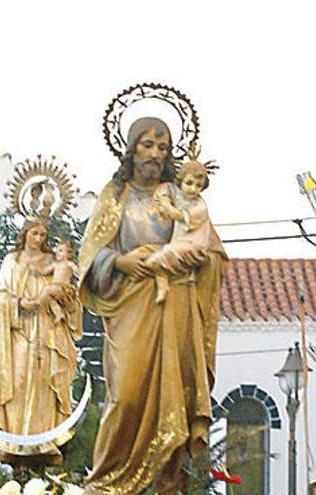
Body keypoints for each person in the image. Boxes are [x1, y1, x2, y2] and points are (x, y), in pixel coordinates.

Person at [78, 117, 226, 494]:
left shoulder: (181, 196)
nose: (156, 153)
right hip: (130, 303)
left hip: (175, 302)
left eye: (162, 147)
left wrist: (184, 259)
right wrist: (120, 262)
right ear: (131, 149)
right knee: (126, 396)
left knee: (174, 399)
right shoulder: (114, 196)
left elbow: (209, 249)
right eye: (147, 145)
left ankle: (167, 483)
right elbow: (90, 256)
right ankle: (107, 483)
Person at [0, 221, 82, 459]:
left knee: (45, 385)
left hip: (48, 332)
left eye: (43, 234)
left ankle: (46, 442)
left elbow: (72, 296)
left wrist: (65, 297)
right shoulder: (12, 260)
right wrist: (18, 304)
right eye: (34, 233)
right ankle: (14, 442)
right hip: (19, 330)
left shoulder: (54, 262)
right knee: (18, 379)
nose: (38, 238)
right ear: (25, 233)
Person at [147, 157, 225, 303]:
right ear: (180, 182)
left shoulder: (199, 206)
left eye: (198, 186)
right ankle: (162, 281)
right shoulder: (179, 195)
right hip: (179, 244)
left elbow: (177, 215)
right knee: (151, 261)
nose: (193, 189)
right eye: (189, 183)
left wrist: (167, 205)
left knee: (155, 260)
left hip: (193, 247)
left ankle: (165, 282)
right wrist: (163, 198)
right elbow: (163, 190)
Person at [33, 239, 79, 323]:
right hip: (55, 289)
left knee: (47, 290)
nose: (57, 252)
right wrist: (35, 266)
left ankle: (36, 303)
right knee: (49, 298)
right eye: (57, 250)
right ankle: (59, 313)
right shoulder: (55, 265)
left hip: (64, 288)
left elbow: (78, 271)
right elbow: (44, 271)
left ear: (69, 253)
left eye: (61, 250)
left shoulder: (69, 264)